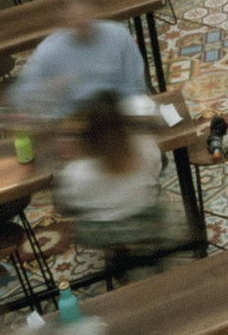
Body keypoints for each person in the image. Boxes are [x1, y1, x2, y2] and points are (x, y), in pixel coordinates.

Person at [55, 93, 169, 260]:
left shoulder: (75, 172)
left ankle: (118, 253)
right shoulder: (144, 148)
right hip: (145, 222)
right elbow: (156, 171)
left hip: (100, 234)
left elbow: (67, 206)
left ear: (86, 137)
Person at [7, 0, 150, 120]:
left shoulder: (118, 35)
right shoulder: (48, 50)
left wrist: (126, 112)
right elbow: (20, 95)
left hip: (118, 111)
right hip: (75, 119)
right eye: (75, 21)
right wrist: (47, 87)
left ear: (94, 11)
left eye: (85, 18)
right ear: (64, 19)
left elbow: (135, 82)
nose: (82, 25)